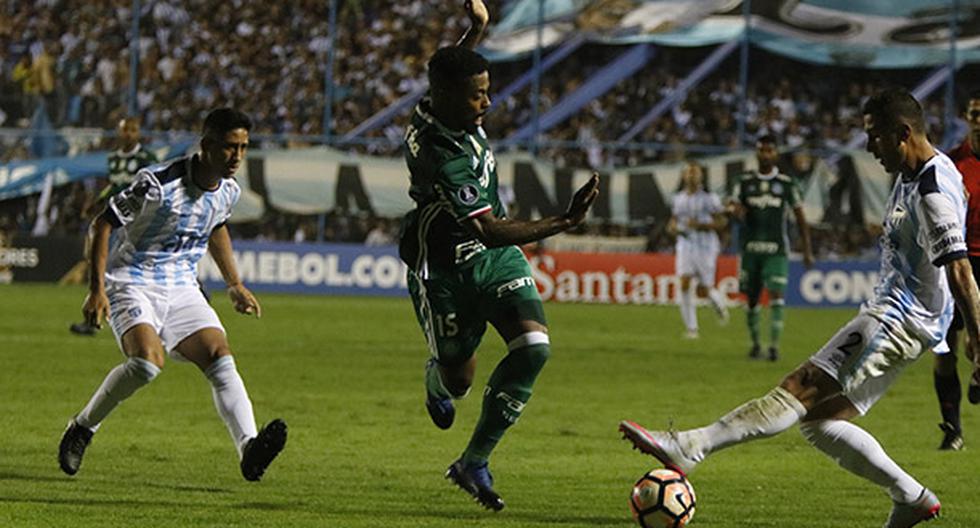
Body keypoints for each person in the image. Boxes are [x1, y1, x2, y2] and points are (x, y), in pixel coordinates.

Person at [620, 89, 980, 528]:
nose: (869, 147)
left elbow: (960, 269)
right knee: (818, 422)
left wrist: (978, 340)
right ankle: (912, 497)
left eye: (874, 137)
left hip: (901, 318)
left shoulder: (931, 189)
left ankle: (692, 445)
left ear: (903, 133)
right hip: (910, 316)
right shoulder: (922, 171)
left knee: (800, 384)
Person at [399, 0, 599, 511]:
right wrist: (564, 221)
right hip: (445, 266)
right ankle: (435, 372)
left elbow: (451, 67)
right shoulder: (444, 156)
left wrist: (477, 28)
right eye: (476, 96)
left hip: (497, 262)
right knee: (458, 380)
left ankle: (473, 461)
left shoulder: (437, 100)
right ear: (448, 97)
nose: (485, 103)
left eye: (486, 91)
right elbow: (488, 230)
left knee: (534, 349)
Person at [58, 108, 287, 482]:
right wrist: (96, 289)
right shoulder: (157, 183)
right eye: (230, 147)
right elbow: (102, 223)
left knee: (219, 355)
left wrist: (234, 284)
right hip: (132, 280)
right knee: (147, 364)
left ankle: (249, 448)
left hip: (182, 286)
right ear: (207, 145)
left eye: (244, 148)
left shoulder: (228, 191)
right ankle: (82, 428)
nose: (237, 157)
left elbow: (216, 229)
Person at [69, 116, 159, 336]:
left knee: (131, 267)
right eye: (125, 129)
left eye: (133, 129)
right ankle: (93, 319)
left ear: (138, 133)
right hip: (119, 221)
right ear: (119, 132)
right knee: (104, 267)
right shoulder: (115, 159)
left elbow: (154, 188)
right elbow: (114, 185)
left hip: (140, 223)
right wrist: (98, 201)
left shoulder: (146, 158)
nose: (128, 133)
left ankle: (194, 288)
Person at [727, 135, 814, 361]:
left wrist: (807, 250)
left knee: (776, 294)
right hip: (750, 250)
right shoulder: (743, 182)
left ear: (775, 154)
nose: (765, 154)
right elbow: (733, 206)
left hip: (776, 250)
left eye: (769, 151)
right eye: (761, 150)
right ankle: (756, 344)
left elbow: (800, 218)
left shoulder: (786, 184)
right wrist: (735, 211)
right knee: (752, 298)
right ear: (757, 153)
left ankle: (774, 346)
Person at [933, 90, 980, 451]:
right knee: (945, 350)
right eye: (975, 113)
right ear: (967, 117)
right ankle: (952, 428)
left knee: (974, 345)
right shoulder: (950, 164)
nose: (979, 119)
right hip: (958, 261)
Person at [668, 161, 729, 339]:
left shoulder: (710, 198)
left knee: (704, 289)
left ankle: (719, 304)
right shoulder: (678, 198)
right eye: (689, 172)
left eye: (695, 173)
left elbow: (722, 222)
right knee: (684, 283)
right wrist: (672, 228)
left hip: (706, 246)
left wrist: (700, 225)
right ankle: (692, 329)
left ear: (701, 176)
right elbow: (673, 220)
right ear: (684, 176)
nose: (692, 176)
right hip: (685, 244)